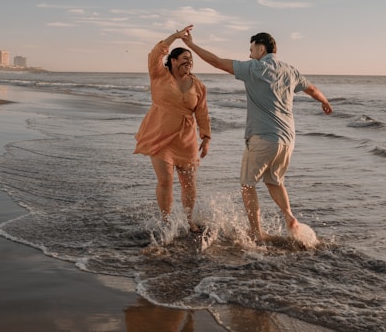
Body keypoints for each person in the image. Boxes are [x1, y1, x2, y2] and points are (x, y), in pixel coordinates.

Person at [182, 27, 332, 241]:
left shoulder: (254, 68)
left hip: (262, 138)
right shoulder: (290, 70)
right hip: (287, 140)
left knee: (248, 184)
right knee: (274, 181)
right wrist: (325, 102)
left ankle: (256, 232)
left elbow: (216, 62)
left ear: (261, 49)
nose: (249, 54)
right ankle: (289, 217)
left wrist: (191, 45)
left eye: (251, 49)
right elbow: (312, 89)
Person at [134, 25, 211, 233]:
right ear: (173, 60)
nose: (189, 63)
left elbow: (202, 112)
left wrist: (206, 138)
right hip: (159, 136)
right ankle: (167, 221)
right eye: (184, 59)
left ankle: (188, 220)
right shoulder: (159, 75)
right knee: (165, 181)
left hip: (186, 139)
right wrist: (175, 37)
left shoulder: (198, 85)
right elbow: (154, 54)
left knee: (188, 184)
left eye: (191, 60)